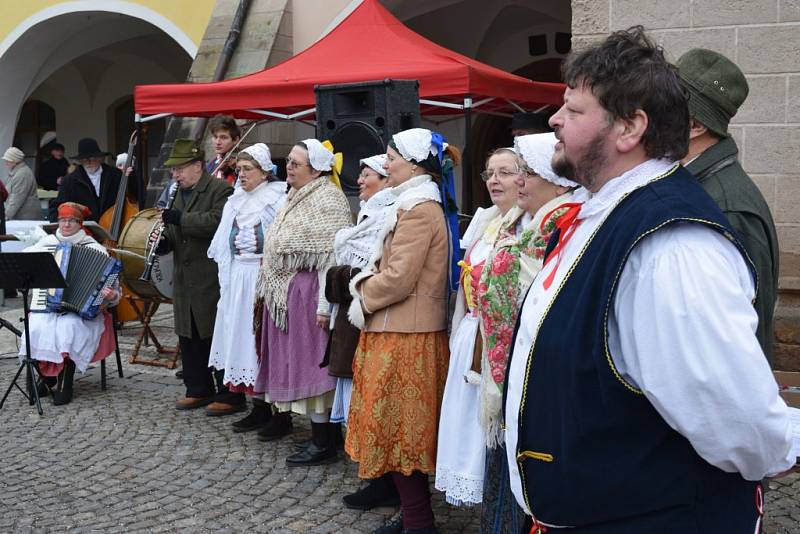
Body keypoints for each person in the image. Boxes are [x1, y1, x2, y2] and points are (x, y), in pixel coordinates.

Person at [504, 27, 799, 532]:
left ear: (629, 128)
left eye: (573, 111)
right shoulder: (606, 212)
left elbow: (736, 419)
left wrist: (780, 445)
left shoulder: (671, 247)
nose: (554, 120)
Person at [346, 128, 461, 534]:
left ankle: (417, 520)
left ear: (412, 164)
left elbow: (398, 279)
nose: (387, 164)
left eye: (391, 158)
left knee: (401, 429)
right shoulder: (415, 205)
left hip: (406, 335)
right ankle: (413, 513)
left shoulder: (419, 210)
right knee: (396, 428)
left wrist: (359, 291)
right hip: (400, 329)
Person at [477, 134, 576, 533]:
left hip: (535, 372)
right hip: (511, 364)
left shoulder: (560, 222)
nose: (517, 181)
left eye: (526, 172)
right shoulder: (526, 223)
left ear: (556, 179)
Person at [252, 138, 352, 466]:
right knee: (298, 363)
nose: (288, 168)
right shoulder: (294, 195)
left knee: (313, 367)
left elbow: (331, 257)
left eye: (296, 163)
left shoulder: (329, 198)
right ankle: (321, 435)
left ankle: (324, 440)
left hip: (310, 296)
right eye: (289, 162)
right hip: (289, 293)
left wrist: (324, 305)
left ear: (316, 169)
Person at [677, 48, 780, 363]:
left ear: (694, 126)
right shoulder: (700, 188)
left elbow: (734, 341)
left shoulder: (726, 208)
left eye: (664, 108)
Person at [434, 146, 522, 508]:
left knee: (494, 433)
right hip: (472, 336)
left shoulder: (524, 226)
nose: (494, 180)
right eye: (490, 173)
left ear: (525, 177)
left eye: (505, 172)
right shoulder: (485, 222)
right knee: (468, 428)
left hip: (499, 342)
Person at [322, 154, 399, 509]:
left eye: (367, 174)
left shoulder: (386, 215)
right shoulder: (368, 214)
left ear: (386, 180)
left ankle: (381, 480)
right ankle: (374, 475)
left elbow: (369, 271)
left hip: (367, 316)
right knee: (358, 396)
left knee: (367, 397)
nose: (361, 179)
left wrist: (341, 277)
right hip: (351, 314)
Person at [155, 139, 241, 415]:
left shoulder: (220, 191)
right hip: (184, 276)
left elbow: (217, 223)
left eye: (180, 169)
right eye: (173, 170)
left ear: (197, 166)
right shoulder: (178, 192)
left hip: (210, 276)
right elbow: (174, 226)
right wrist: (164, 241)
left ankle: (229, 393)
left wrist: (180, 220)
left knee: (215, 333)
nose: (175, 175)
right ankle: (198, 388)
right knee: (188, 333)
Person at [206, 144, 286, 430]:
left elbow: (282, 244)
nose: (241, 174)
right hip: (239, 279)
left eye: (247, 169)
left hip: (264, 278)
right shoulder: (234, 202)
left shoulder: (277, 198)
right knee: (244, 341)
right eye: (238, 169)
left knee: (265, 341)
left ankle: (280, 412)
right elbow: (222, 248)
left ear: (264, 171)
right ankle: (259, 407)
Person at [20, 202, 120, 405]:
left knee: (68, 329)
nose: (66, 224)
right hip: (47, 307)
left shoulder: (95, 249)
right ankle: (45, 376)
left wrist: (110, 297)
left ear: (80, 224)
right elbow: (25, 270)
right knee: (36, 328)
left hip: (80, 312)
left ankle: (65, 379)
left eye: (72, 221)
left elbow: (116, 293)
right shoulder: (45, 243)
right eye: (63, 220)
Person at [48, 138, 135, 222]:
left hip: (113, 225)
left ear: (99, 158)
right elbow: (58, 207)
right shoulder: (69, 181)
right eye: (84, 159)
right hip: (85, 230)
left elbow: (132, 195)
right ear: (80, 161)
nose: (88, 162)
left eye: (92, 158)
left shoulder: (115, 175)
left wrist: (132, 175)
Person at [2, 147, 41, 220]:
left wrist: (4, 217)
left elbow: (16, 199)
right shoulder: (16, 172)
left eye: (8, 160)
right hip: (22, 216)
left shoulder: (22, 174)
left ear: (15, 161)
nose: (6, 163)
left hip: (25, 218)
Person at [207, 114, 241, 186]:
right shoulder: (211, 163)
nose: (217, 142)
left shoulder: (241, 162)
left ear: (236, 140)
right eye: (215, 137)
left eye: (223, 137)